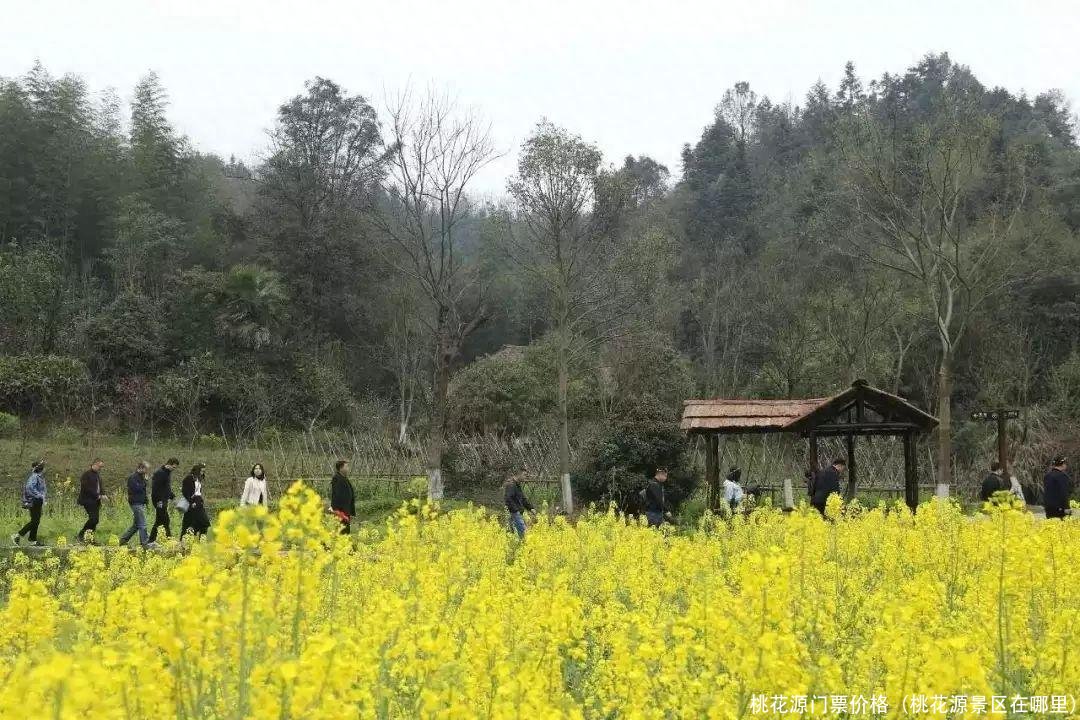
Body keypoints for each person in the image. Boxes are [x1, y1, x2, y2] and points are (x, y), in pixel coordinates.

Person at [119, 461, 154, 549]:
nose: (147, 471)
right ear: (141, 468)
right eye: (146, 469)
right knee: (142, 524)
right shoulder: (133, 477)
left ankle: (123, 540)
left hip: (140, 502)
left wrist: (146, 501)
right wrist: (145, 481)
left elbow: (143, 491)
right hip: (135, 503)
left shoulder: (141, 477)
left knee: (136, 525)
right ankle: (145, 543)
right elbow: (136, 489)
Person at [11, 461, 47, 546]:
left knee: (36, 521)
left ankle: (32, 540)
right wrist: (39, 496)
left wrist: (43, 498)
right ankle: (17, 535)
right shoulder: (35, 477)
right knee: (35, 521)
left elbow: (41, 490)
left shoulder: (39, 477)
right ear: (41, 469)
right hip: (34, 501)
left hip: (38, 501)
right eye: (43, 467)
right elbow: (29, 487)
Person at [77, 458, 108, 544]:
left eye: (102, 467)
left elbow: (100, 487)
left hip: (96, 501)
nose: (100, 468)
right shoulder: (86, 475)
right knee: (93, 519)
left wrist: (103, 494)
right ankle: (81, 534)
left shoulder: (97, 475)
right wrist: (98, 495)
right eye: (99, 466)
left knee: (95, 520)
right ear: (94, 464)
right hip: (88, 500)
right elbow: (86, 488)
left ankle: (90, 539)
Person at [149, 458, 179, 542]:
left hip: (164, 501)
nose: (174, 469)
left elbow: (166, 488)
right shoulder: (160, 473)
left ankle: (151, 540)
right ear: (169, 464)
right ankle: (169, 540)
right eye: (173, 467)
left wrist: (172, 497)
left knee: (159, 522)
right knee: (166, 520)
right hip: (159, 502)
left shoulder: (167, 473)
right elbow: (155, 489)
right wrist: (158, 501)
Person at [180, 463, 211, 538]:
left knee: (203, 523)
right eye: (202, 471)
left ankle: (201, 540)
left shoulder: (198, 479)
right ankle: (186, 541)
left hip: (198, 502)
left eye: (204, 471)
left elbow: (198, 492)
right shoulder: (189, 478)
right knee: (189, 523)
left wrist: (200, 501)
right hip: (192, 503)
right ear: (197, 470)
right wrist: (191, 502)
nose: (203, 473)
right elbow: (185, 492)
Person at [504, 473, 535, 538]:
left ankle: (518, 545)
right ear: (518, 474)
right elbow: (508, 498)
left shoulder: (517, 485)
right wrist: (516, 511)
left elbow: (522, 499)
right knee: (523, 533)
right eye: (525, 475)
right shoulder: (511, 485)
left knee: (515, 533)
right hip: (514, 513)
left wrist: (530, 508)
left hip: (517, 513)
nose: (526, 477)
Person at [330, 460, 355, 535]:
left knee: (345, 529)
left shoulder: (343, 478)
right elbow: (338, 496)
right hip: (341, 511)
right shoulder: (337, 479)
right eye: (346, 466)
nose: (348, 468)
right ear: (341, 468)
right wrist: (339, 512)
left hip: (346, 510)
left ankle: (344, 545)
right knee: (342, 530)